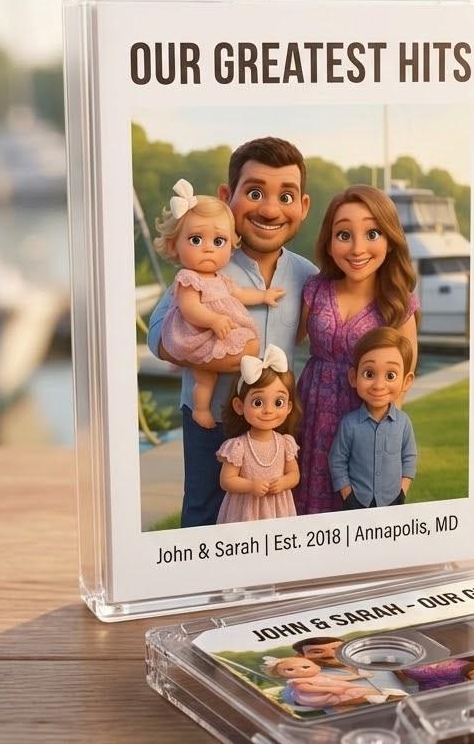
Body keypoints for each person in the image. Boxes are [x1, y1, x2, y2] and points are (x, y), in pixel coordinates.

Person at [147, 138, 316, 527]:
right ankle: (204, 587)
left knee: (269, 512)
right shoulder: (206, 264)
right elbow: (158, 336)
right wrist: (219, 355)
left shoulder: (307, 275)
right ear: (227, 196)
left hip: (272, 420)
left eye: (286, 196)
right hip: (210, 417)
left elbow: (308, 336)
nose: (270, 209)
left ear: (303, 207)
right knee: (206, 508)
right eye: (255, 192)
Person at [294, 185, 419, 515]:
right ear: (329, 241)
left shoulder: (399, 304)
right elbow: (283, 340)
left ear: (390, 239)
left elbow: (400, 387)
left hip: (364, 421)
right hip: (309, 414)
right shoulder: (314, 290)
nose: (358, 248)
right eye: (344, 234)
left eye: (372, 232)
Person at [152, 179, 282, 428]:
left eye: (218, 241)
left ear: (231, 243)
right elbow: (190, 308)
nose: (208, 249)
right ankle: (201, 410)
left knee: (215, 369)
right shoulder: (187, 278)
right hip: (198, 332)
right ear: (173, 245)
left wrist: (264, 296)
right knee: (204, 378)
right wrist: (213, 320)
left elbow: (241, 294)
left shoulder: (221, 279)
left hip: (216, 332)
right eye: (196, 240)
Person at [329, 327, 417, 510]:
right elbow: (337, 460)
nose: (378, 385)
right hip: (355, 503)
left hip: (393, 502)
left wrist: (402, 492)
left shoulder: (403, 423)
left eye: (390, 375)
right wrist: (348, 495)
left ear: (406, 381)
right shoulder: (349, 424)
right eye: (369, 374)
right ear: (354, 377)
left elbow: (409, 458)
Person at [216, 345, 301, 523]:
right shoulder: (238, 446)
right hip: (246, 511)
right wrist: (250, 486)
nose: (268, 410)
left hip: (278, 509)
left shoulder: (285, 443)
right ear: (239, 406)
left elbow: (294, 474)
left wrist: (284, 482)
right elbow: (227, 480)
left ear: (289, 407)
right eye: (257, 402)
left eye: (278, 402)